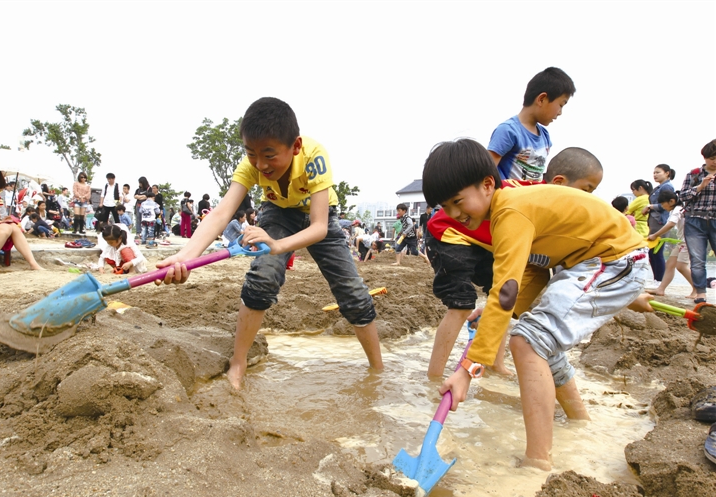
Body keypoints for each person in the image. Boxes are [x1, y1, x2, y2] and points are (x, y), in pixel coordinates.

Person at [422, 139, 649, 471]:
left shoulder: (510, 212)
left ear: (487, 185)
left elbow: (504, 290)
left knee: (527, 340)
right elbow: (530, 272)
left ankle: (537, 462)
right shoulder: (507, 211)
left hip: (611, 260)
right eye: (446, 206)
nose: (454, 214)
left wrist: (467, 372)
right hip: (594, 264)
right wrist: (501, 312)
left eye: (458, 201)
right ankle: (580, 421)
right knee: (539, 336)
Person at [155, 97, 382, 390]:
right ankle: (238, 366)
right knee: (262, 276)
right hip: (277, 213)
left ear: (295, 147)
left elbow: (319, 227)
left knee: (352, 291)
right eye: (251, 154)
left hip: (317, 217)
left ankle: (378, 371)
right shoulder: (252, 165)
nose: (260, 165)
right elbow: (222, 213)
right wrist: (184, 256)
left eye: (270, 155)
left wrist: (277, 245)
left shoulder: (314, 157)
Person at [425, 147, 605, 379]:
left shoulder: (539, 205)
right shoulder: (525, 205)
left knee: (513, 290)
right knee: (462, 304)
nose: (587, 199)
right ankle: (434, 376)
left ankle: (495, 364)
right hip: (449, 234)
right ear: (559, 184)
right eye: (586, 190)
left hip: (487, 238)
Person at [488, 67, 575, 181]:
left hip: (533, 197)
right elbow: (487, 171)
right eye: (561, 105)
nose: (560, 113)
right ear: (541, 99)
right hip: (511, 196)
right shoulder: (508, 131)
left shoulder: (545, 136)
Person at [679, 139, 716, 304]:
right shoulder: (694, 175)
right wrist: (700, 186)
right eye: (712, 158)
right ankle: (701, 293)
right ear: (705, 157)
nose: (715, 161)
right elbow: (682, 197)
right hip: (695, 220)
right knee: (697, 259)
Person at [647, 190, 695, 298]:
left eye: (663, 204)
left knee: (681, 266)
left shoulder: (678, 209)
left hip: (687, 241)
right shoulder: (680, 208)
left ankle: (697, 289)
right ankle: (660, 289)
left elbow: (670, 224)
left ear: (671, 201)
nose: (662, 207)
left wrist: (655, 235)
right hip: (682, 241)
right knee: (670, 264)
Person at [643, 165, 676, 282]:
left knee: (656, 252)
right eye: (654, 173)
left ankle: (659, 280)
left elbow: (666, 205)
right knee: (653, 253)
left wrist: (650, 206)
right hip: (655, 221)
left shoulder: (667, 187)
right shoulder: (660, 187)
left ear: (667, 173)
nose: (655, 175)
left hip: (660, 222)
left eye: (658, 172)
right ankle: (657, 279)